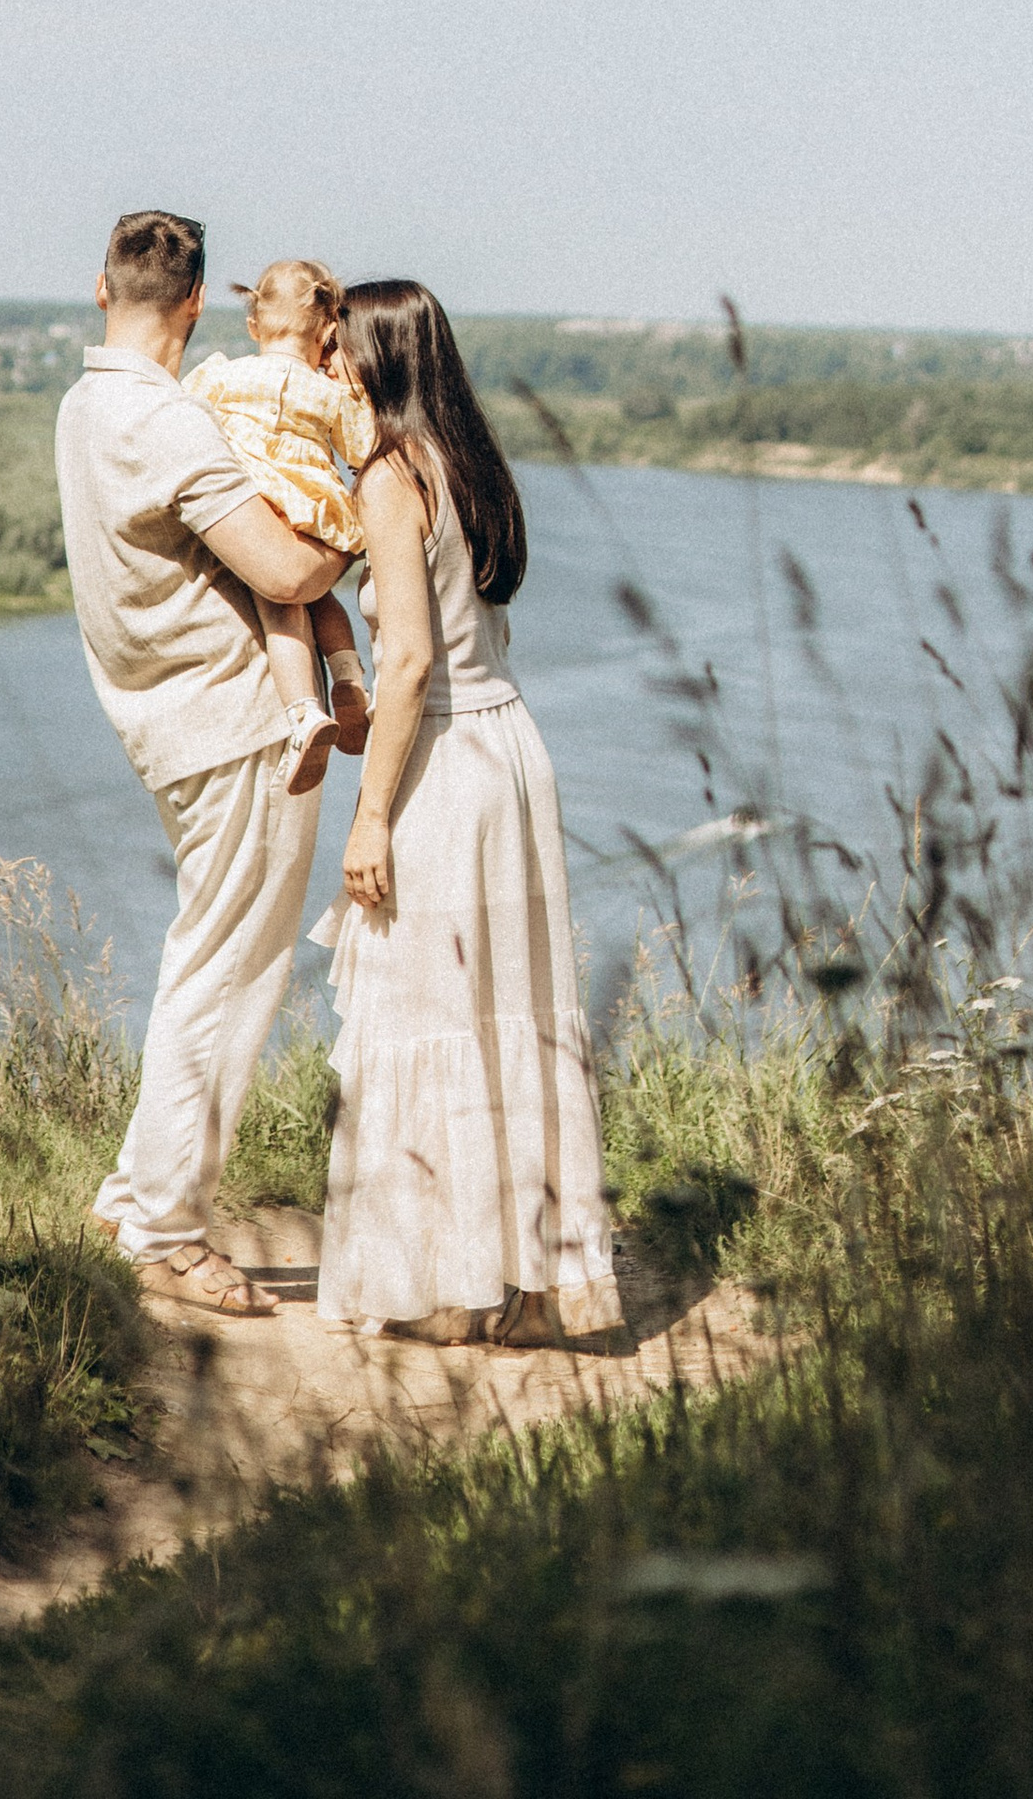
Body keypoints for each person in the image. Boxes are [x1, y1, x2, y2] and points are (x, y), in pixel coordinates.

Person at [56, 207, 353, 1318]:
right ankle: (170, 1235)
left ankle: (136, 1190)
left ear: (102, 290)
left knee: (205, 956)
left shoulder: (83, 405)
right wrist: (359, 529)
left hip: (159, 719)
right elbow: (282, 569)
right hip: (235, 727)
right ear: (194, 306)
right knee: (229, 976)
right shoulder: (168, 423)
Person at [316, 278, 623, 1346]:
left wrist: (368, 817)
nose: (326, 369)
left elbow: (404, 665)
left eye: (335, 351)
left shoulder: (391, 479)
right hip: (514, 750)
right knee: (513, 1014)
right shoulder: (470, 464)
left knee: (426, 1013)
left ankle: (446, 1291)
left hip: (447, 760)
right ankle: (534, 1287)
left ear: (373, 360)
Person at [186, 257, 376, 791]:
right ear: (329, 330)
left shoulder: (224, 375)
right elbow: (361, 448)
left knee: (279, 603)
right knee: (320, 598)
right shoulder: (332, 394)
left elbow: (186, 417)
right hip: (314, 510)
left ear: (253, 326)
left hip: (261, 509)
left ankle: (303, 713)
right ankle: (349, 679)